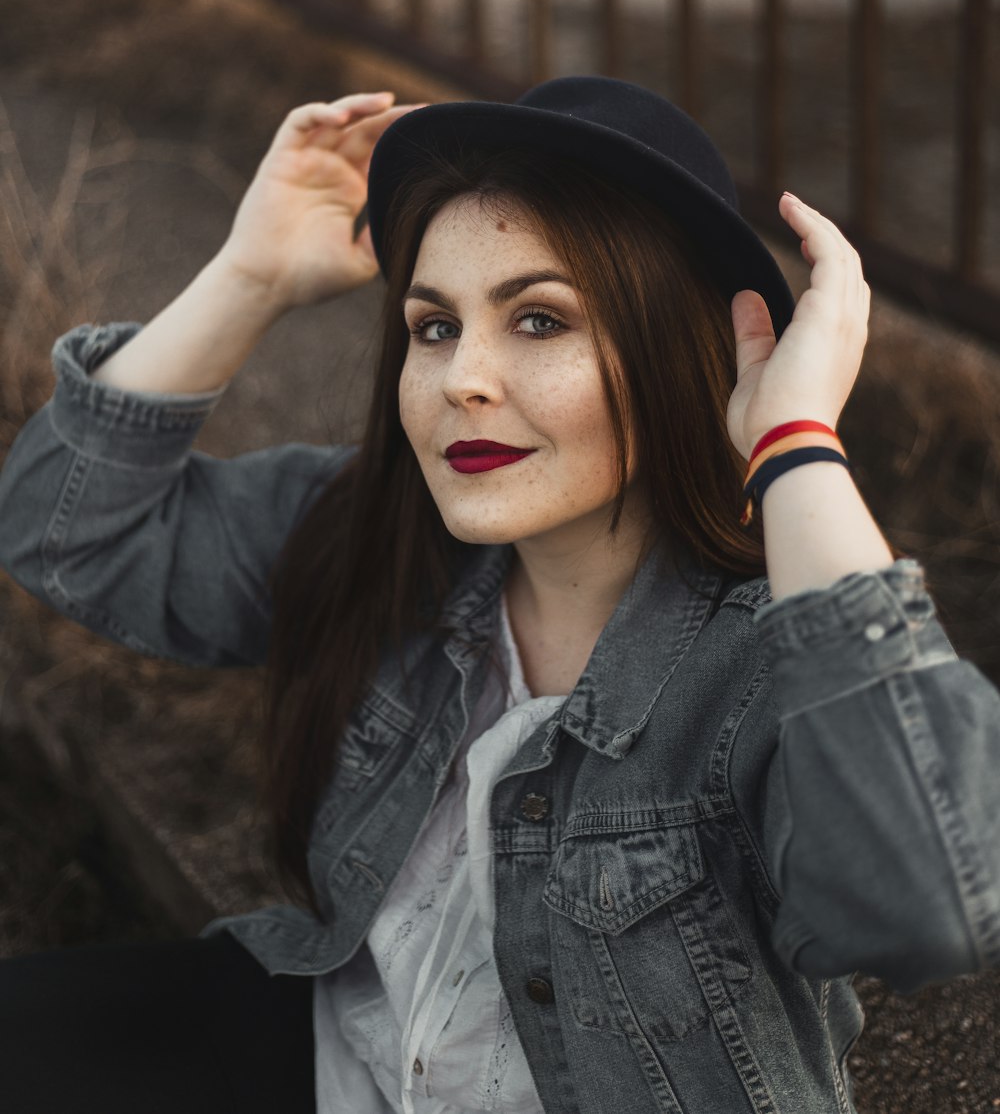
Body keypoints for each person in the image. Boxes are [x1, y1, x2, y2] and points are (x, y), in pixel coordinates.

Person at [0, 76, 998, 1114]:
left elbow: (930, 897)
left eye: (537, 318)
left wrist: (793, 440)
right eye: (434, 327)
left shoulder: (757, 665)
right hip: (336, 1057)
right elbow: (64, 529)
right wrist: (248, 276)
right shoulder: (386, 544)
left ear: (674, 356)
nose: (463, 377)